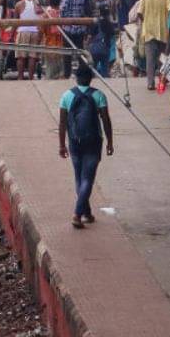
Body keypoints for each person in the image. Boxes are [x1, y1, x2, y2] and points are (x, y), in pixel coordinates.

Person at [58, 62, 114, 228]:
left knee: (79, 178)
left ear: (76, 78)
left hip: (74, 141)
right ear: (91, 79)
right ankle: (77, 214)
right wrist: (110, 141)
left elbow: (62, 123)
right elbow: (106, 120)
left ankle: (87, 213)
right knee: (87, 179)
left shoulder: (66, 96)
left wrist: (62, 145)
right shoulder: (99, 95)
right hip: (93, 141)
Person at [137, 0, 170, 91]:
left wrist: (145, 21)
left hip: (149, 31)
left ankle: (150, 83)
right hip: (163, 31)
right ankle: (162, 81)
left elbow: (139, 13)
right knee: (163, 57)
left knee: (150, 58)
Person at [13, 0, 42, 80]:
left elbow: (15, 21)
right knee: (32, 57)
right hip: (35, 32)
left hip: (23, 31)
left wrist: (11, 34)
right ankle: (30, 78)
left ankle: (20, 77)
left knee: (21, 56)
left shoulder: (19, 4)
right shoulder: (38, 4)